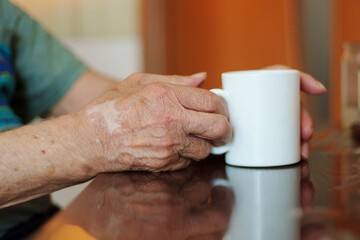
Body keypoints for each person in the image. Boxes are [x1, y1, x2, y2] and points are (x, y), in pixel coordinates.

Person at [0, 0, 326, 238]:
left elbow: (116, 105)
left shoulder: (6, 17)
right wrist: (92, 140)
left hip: (46, 227)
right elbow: (107, 124)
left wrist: (257, 100)